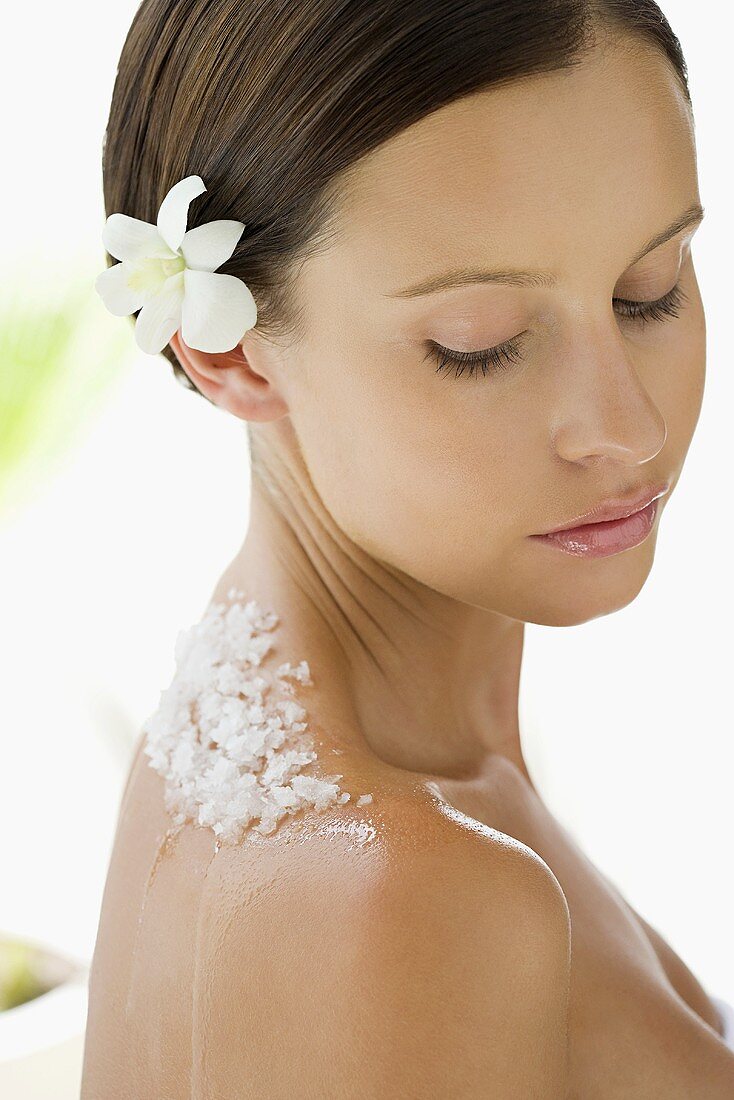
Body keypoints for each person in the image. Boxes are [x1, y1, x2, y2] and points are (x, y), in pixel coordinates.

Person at [81, 1, 734, 1095]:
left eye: (648, 287)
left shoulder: (242, 727)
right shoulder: (407, 896)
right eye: (476, 345)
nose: (627, 426)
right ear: (227, 352)